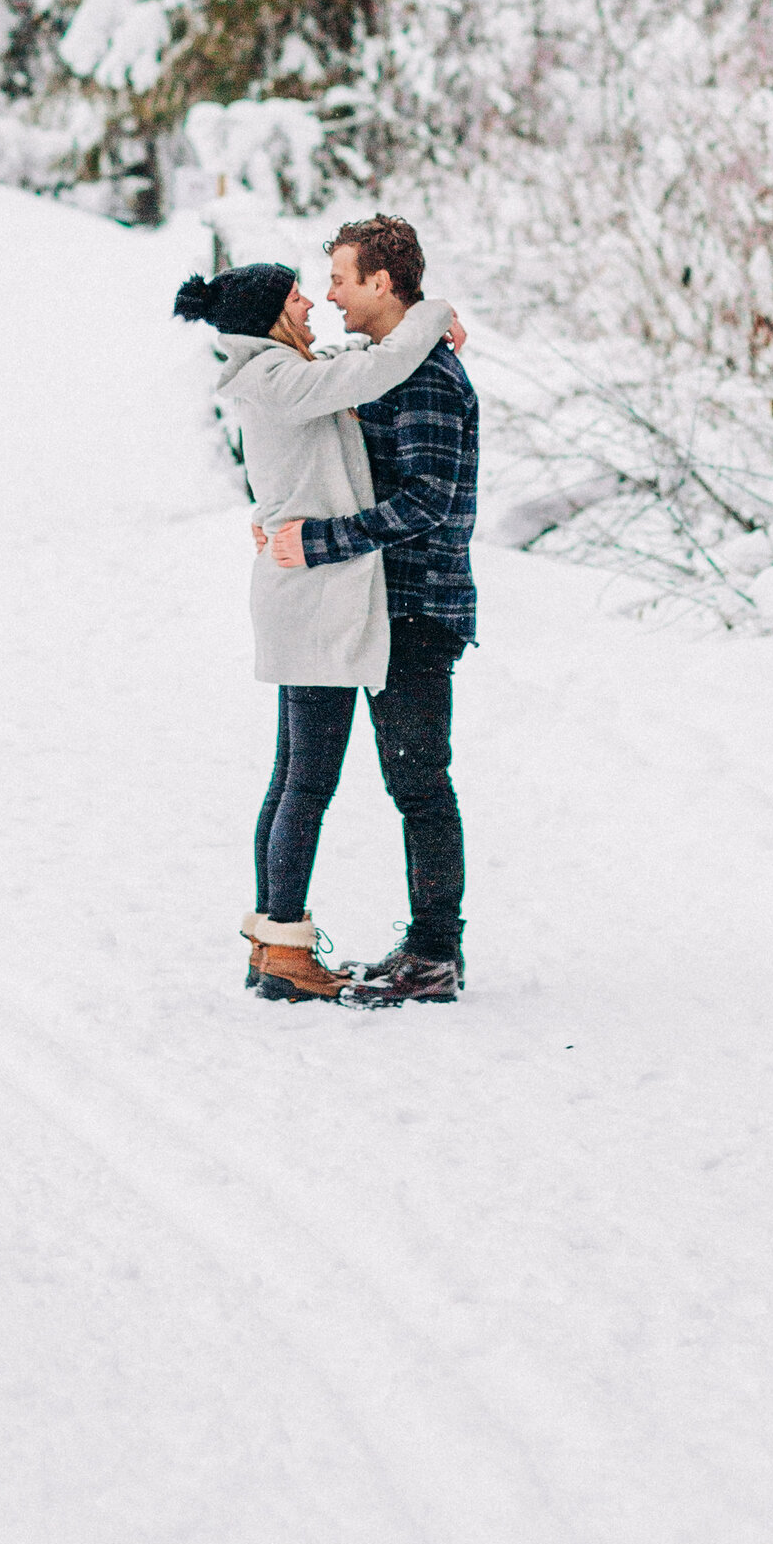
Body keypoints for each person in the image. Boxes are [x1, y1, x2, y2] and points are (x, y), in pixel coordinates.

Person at [172, 254, 462, 1005]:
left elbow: (351, 361)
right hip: (311, 597)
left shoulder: (278, 370)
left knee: (296, 777)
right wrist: (433, 317)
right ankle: (283, 951)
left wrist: (423, 330)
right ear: (270, 317)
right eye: (299, 297)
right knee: (305, 781)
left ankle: (278, 946)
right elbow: (368, 371)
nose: (313, 305)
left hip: (312, 592)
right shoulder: (276, 378)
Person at [254, 213, 477, 1006]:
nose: (330, 295)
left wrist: (317, 541)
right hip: (371, 602)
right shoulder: (390, 362)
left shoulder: (425, 379)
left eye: (342, 279)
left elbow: (427, 501)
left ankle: (435, 954)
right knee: (323, 776)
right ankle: (288, 948)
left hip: (417, 610)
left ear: (383, 283)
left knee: (419, 786)